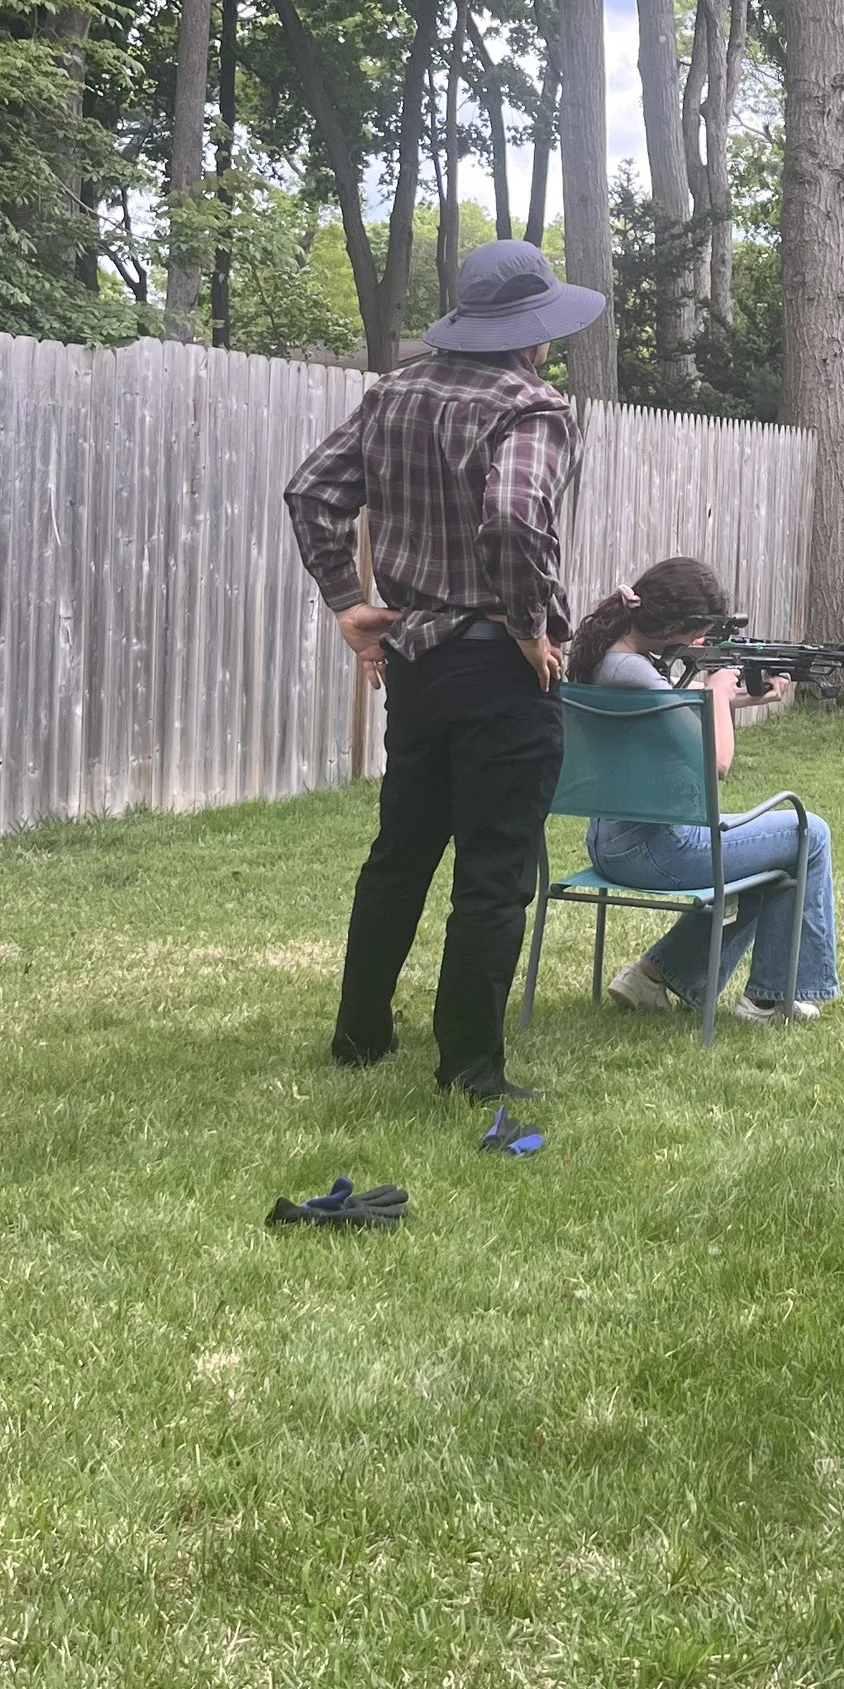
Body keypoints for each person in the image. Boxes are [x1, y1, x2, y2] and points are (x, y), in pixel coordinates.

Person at [284, 238, 604, 1099]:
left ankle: (360, 1033)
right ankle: (470, 1068)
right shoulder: (533, 408)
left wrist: (351, 603)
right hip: (503, 670)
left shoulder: (393, 394)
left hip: (416, 665)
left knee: (401, 853)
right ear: (533, 332)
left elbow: (312, 492)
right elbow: (510, 517)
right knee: (493, 874)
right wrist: (530, 624)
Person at [565, 556, 841, 1025]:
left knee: (773, 861)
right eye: (698, 631)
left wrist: (750, 694)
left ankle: (654, 975)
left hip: (615, 841)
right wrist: (716, 688)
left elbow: (676, 711)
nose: (699, 642)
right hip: (659, 847)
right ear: (675, 623)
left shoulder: (612, 658)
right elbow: (718, 762)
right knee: (807, 833)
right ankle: (768, 1001)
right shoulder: (633, 673)